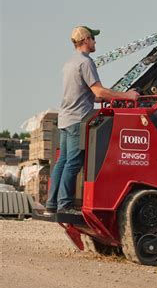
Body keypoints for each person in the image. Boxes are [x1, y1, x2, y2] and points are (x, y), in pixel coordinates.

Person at [45, 26, 139, 214]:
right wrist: (126, 96)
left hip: (65, 118)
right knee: (73, 162)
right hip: (78, 119)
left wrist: (109, 96)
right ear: (86, 40)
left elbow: (89, 95)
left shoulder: (69, 63)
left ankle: (52, 204)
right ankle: (65, 206)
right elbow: (98, 91)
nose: (95, 42)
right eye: (93, 39)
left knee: (62, 162)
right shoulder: (86, 62)